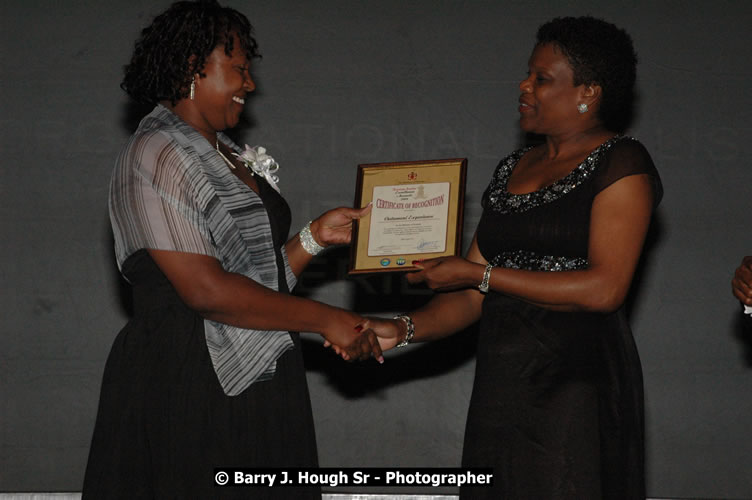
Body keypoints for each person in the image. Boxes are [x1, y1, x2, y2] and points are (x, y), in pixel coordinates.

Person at [82, 1, 381, 498]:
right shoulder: (157, 150)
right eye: (239, 70)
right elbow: (206, 290)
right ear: (191, 66)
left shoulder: (222, 152)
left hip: (256, 370)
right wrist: (327, 319)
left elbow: (252, 281)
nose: (250, 85)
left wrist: (313, 239)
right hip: (187, 380)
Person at [364, 16, 662, 499]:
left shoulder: (621, 162)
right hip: (503, 383)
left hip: (576, 384)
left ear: (588, 91)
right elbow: (469, 298)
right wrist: (402, 329)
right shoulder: (512, 168)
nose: (523, 86)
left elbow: (604, 289)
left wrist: (480, 274)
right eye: (528, 74)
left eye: (541, 79)